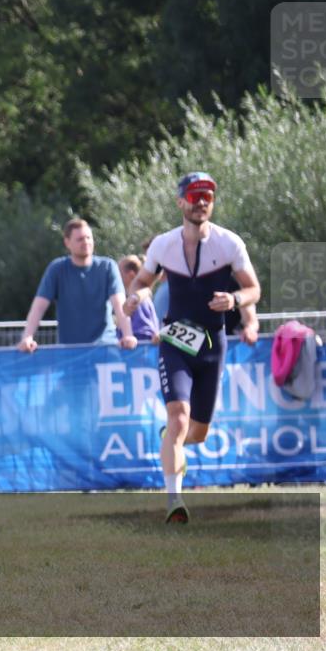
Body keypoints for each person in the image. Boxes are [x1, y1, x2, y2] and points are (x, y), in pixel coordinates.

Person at [124, 172, 260, 523]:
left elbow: (253, 290)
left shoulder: (229, 243)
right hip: (175, 341)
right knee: (178, 417)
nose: (202, 201)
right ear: (180, 201)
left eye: (208, 196)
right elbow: (143, 280)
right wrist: (137, 295)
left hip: (214, 344)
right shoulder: (164, 245)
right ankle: (175, 501)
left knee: (196, 432)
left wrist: (234, 299)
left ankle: (171, 440)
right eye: (195, 195)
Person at [17, 219, 137, 351]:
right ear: (67, 242)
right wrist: (27, 337)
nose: (86, 242)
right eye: (80, 239)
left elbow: (120, 305)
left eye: (88, 237)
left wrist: (128, 335)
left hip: (104, 348)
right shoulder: (57, 269)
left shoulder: (108, 267)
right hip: (69, 353)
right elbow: (39, 307)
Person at [117, 255, 161, 342]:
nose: (116, 279)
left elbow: (144, 334)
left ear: (131, 275)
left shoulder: (138, 302)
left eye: (118, 274)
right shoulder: (135, 299)